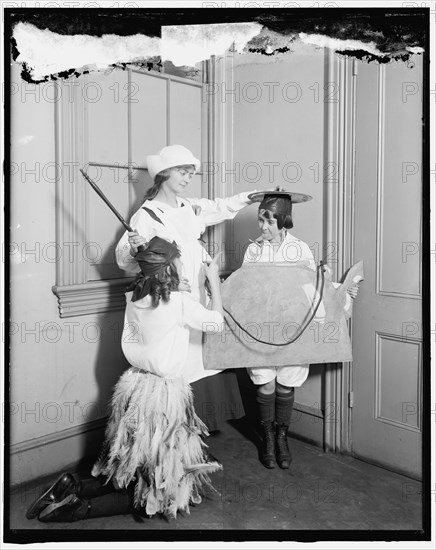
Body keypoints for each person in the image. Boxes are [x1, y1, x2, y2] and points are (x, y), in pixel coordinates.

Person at [26, 237, 225, 522]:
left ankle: (73, 485)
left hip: (135, 386)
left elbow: (162, 297)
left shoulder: (135, 296)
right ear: (169, 269)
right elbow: (216, 323)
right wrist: (214, 283)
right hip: (163, 396)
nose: (183, 264)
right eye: (178, 260)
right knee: (157, 486)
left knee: (131, 464)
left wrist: (171, 278)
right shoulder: (180, 303)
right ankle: (78, 509)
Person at [115, 144, 253, 431]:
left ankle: (196, 434)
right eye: (182, 171)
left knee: (201, 360)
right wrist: (134, 246)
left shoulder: (189, 207)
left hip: (200, 294)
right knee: (176, 366)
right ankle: (174, 437)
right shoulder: (147, 215)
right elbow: (125, 262)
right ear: (164, 173)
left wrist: (248, 198)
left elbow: (220, 207)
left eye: (191, 173)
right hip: (169, 298)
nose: (188, 177)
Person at [243, 192, 358, 470]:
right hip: (262, 327)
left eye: (269, 221)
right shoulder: (253, 250)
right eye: (261, 220)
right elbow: (243, 289)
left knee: (286, 382)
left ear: (284, 222)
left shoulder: (300, 249)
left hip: (293, 327)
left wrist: (338, 290)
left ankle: (282, 437)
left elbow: (312, 288)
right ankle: (268, 439)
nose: (263, 227)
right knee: (265, 381)